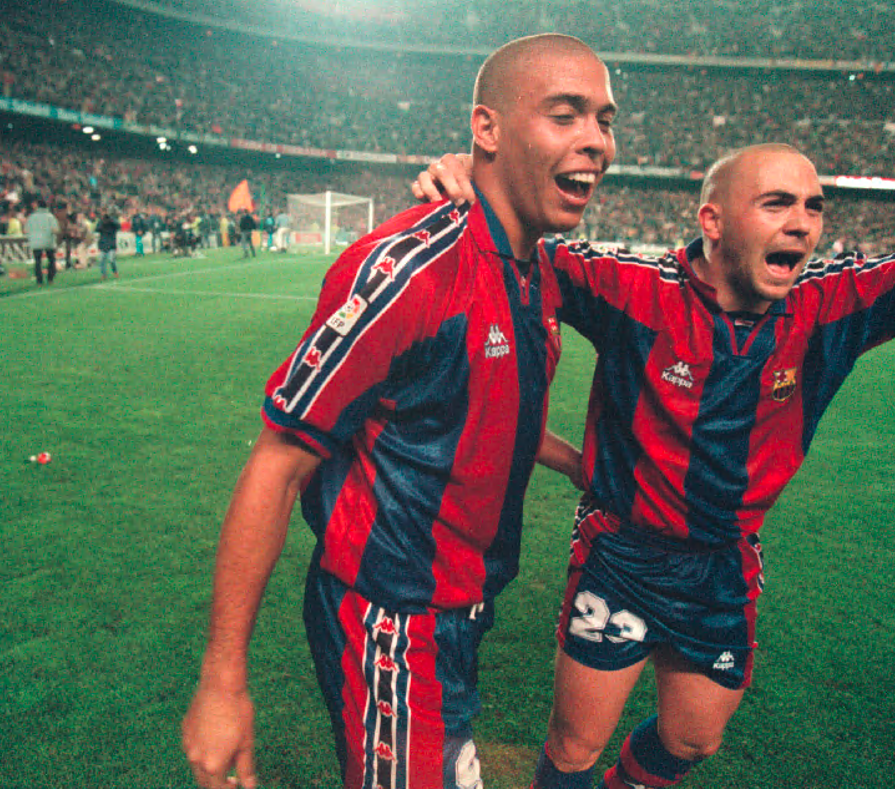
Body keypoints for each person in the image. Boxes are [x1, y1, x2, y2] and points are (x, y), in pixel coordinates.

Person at [413, 15, 895, 789]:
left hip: (724, 565)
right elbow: (516, 238)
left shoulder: (830, 305)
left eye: (814, 207)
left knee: (690, 740)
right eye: (778, 203)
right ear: (714, 221)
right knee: (574, 748)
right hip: (622, 556)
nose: (803, 223)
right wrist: (463, 176)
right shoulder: (635, 291)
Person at [182, 32, 614, 789]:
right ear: (486, 129)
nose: (596, 141)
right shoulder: (411, 269)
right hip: (391, 617)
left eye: (605, 120)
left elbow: (479, 409)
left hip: (460, 608)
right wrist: (223, 682)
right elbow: (280, 463)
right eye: (566, 114)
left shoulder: (537, 270)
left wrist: (577, 463)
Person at [25, 201, 60, 285]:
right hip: (48, 240)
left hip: (35, 241)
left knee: (37, 261)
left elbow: (26, 229)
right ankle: (50, 278)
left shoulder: (32, 217)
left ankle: (39, 280)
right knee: (51, 259)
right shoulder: (50, 217)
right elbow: (55, 229)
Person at [96, 210, 120, 280]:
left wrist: (111, 220)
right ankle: (104, 274)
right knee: (101, 260)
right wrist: (102, 223)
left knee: (111, 259)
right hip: (103, 244)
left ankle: (115, 271)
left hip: (111, 244)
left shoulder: (113, 221)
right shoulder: (101, 222)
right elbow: (97, 229)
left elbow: (118, 226)